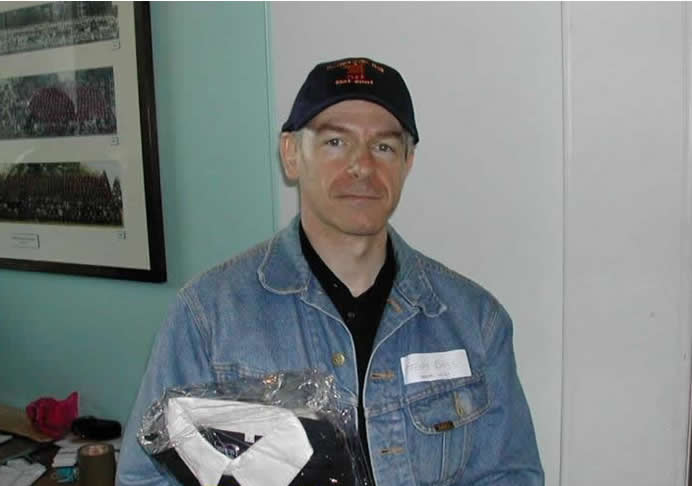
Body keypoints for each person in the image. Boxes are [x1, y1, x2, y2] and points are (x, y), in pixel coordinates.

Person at [116, 57, 544, 486]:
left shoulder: (475, 321)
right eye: (336, 142)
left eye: (384, 147)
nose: (362, 166)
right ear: (291, 155)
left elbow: (510, 475)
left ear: (407, 162)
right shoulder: (209, 317)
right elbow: (146, 478)